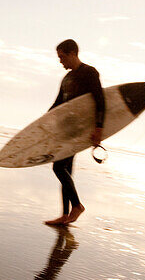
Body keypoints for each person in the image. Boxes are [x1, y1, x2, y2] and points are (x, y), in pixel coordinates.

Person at [44, 39, 105, 227]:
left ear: (73, 54)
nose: (60, 61)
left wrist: (98, 129)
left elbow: (100, 101)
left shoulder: (89, 73)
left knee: (58, 167)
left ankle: (77, 206)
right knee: (66, 170)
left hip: (78, 131)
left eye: (62, 57)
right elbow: (57, 105)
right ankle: (64, 214)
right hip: (65, 129)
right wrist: (43, 124)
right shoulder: (67, 79)